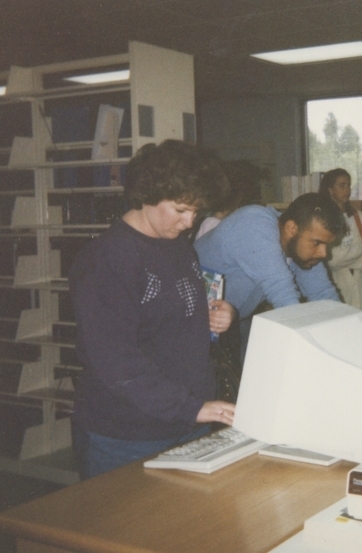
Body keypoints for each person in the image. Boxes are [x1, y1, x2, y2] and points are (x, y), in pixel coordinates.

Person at [69, 139, 238, 480]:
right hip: (127, 435)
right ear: (147, 195)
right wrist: (191, 408)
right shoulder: (107, 259)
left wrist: (220, 314)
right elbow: (116, 361)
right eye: (180, 210)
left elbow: (172, 317)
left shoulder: (177, 248)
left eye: (197, 211)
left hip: (187, 421)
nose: (190, 222)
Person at [194, 192, 346, 359]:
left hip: (230, 319)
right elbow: (284, 296)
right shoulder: (255, 224)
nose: (324, 253)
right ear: (291, 228)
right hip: (190, 321)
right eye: (317, 243)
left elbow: (324, 294)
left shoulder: (298, 243)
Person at [319, 168, 362, 315]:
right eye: (342, 185)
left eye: (348, 185)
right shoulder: (323, 219)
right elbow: (332, 260)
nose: (347, 189)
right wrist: (360, 248)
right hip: (337, 286)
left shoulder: (359, 217)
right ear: (330, 190)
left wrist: (343, 259)